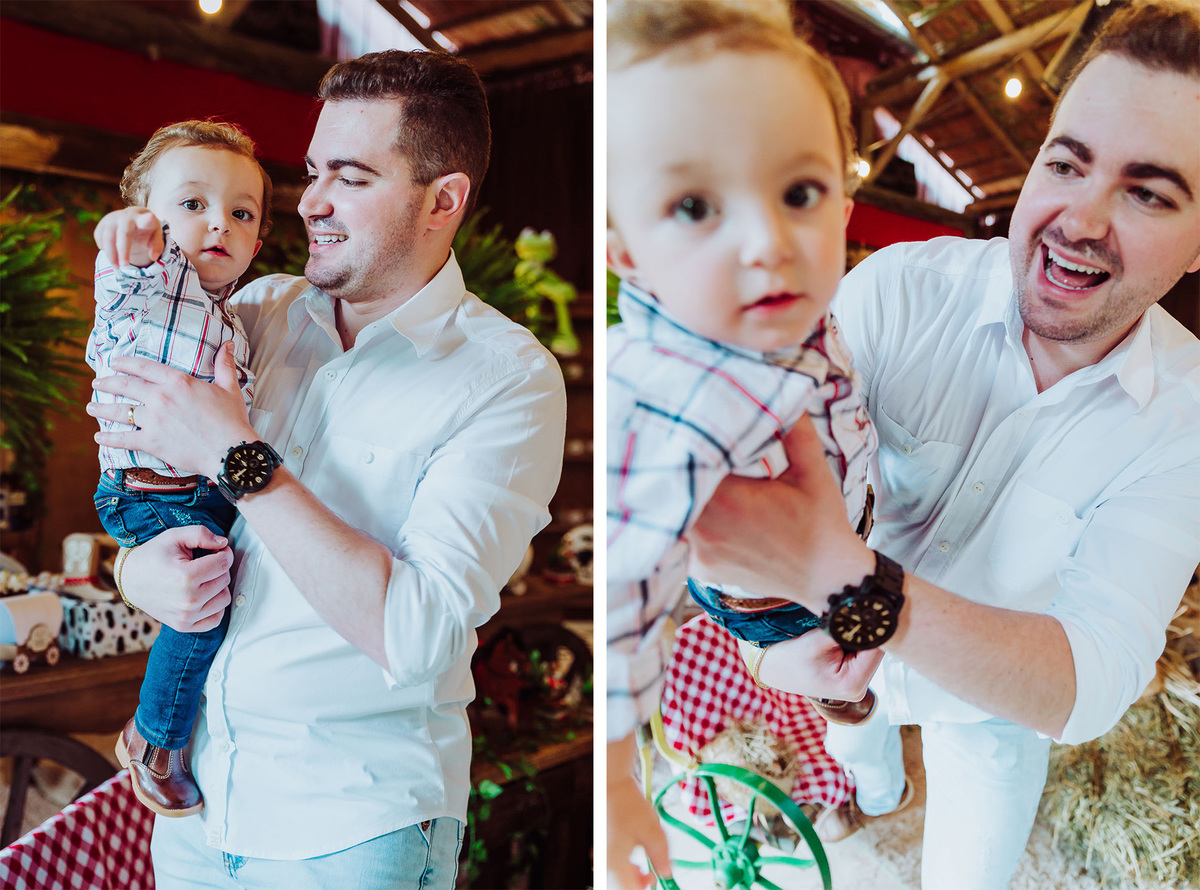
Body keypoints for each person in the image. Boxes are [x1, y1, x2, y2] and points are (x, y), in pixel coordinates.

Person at [688, 3, 1200, 888]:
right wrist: (768, 637)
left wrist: (843, 584)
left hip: (995, 708)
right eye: (1066, 163)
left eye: (1148, 192)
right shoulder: (894, 292)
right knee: (872, 777)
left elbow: (1092, 680)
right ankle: (873, 790)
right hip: (845, 666)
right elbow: (756, 488)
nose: (1080, 220)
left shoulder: (1187, 417)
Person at [86, 49, 566, 889]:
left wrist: (237, 459)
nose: (309, 202)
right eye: (312, 172)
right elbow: (147, 452)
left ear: (442, 201)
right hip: (197, 811)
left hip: (351, 828)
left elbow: (415, 636)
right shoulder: (259, 311)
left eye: (349, 176)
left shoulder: (506, 378)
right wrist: (140, 574)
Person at [605, 3, 884, 887]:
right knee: (839, 674)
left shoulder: (772, 316)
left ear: (843, 197)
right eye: (695, 206)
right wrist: (615, 779)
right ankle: (843, 736)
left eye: (799, 193)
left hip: (837, 534)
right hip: (776, 600)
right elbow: (622, 590)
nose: (769, 243)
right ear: (623, 250)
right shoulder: (674, 398)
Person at [86, 119, 271, 818]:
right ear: (152, 214)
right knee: (203, 611)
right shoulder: (154, 286)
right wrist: (130, 238)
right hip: (154, 493)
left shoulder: (233, 319)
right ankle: (154, 739)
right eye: (191, 204)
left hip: (192, 489)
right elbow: (125, 269)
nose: (218, 224)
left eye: (240, 212)